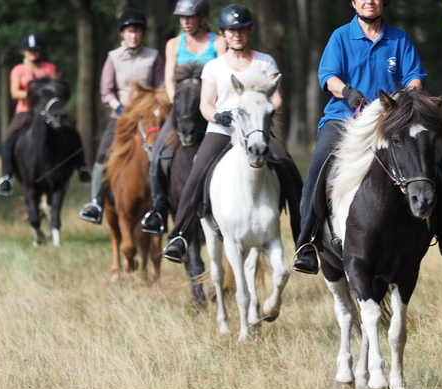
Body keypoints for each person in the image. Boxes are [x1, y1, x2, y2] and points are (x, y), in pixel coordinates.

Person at [291, 0, 442, 275]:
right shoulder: (341, 36)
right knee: (318, 165)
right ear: (353, 3)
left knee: (435, 161)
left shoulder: (399, 38)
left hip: (391, 120)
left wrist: (407, 98)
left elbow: (414, 77)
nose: (369, 1)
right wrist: (348, 91)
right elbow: (328, 77)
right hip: (344, 119)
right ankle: (308, 241)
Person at [161, 4, 302, 263]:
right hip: (222, 130)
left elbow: (278, 98)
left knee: (289, 170)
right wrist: (217, 115)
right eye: (231, 31)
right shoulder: (214, 66)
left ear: (249, 31)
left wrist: (263, 108)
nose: (236, 35)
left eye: (241, 30)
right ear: (223, 34)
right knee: (196, 172)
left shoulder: (264, 62)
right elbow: (205, 104)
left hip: (258, 130)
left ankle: (304, 241)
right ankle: (179, 235)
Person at [141, 0, 227, 235]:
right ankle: (159, 208)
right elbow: (170, 79)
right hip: (182, 110)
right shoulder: (173, 44)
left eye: (190, 17)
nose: (185, 22)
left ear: (202, 18)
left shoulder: (218, 43)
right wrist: (176, 104)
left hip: (210, 109)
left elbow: (224, 76)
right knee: (159, 153)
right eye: (181, 17)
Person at [79, 8, 165, 224]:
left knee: (162, 156)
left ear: (143, 33)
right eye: (129, 31)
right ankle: (96, 203)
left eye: (137, 31)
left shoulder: (154, 57)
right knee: (102, 157)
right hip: (122, 118)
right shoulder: (113, 57)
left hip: (148, 118)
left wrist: (150, 108)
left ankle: (164, 204)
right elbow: (106, 91)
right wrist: (120, 109)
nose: (133, 35)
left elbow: (161, 88)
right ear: (122, 34)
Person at [0, 34, 90, 196]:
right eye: (30, 50)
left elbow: (57, 88)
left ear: (40, 51)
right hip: (25, 111)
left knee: (71, 130)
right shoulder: (18, 70)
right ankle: (6, 177)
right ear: (24, 52)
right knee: (9, 137)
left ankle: (82, 168)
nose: (33, 53)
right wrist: (36, 95)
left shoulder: (50, 68)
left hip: (48, 111)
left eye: (36, 50)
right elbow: (14, 92)